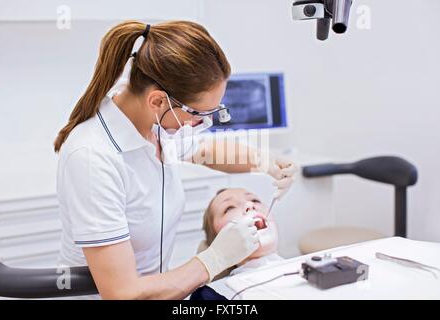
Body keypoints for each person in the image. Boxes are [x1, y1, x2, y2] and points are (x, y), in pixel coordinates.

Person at [54, 20, 297, 299]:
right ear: (158, 102)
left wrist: (265, 161)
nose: (201, 124)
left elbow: (205, 150)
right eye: (197, 115)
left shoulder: (151, 116)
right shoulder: (93, 159)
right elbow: (122, 294)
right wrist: (213, 260)